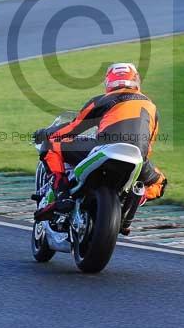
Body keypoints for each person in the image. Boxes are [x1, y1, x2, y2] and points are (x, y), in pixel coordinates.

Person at [33, 62, 167, 235]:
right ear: (136, 81)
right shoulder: (152, 107)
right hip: (137, 156)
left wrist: (46, 133)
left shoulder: (103, 100)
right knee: (160, 183)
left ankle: (62, 192)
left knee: (52, 144)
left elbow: (73, 128)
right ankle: (129, 207)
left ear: (108, 82)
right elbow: (149, 145)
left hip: (105, 147)